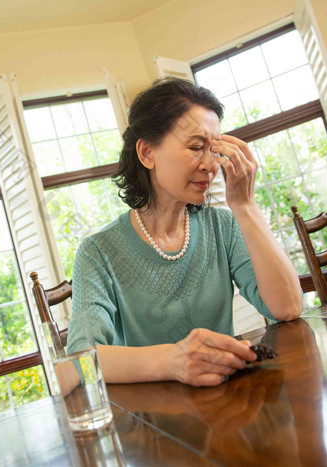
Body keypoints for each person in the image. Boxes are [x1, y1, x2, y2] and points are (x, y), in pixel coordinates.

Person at [66, 77, 303, 387]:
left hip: (227, 406)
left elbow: (287, 308)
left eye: (214, 150)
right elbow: (79, 364)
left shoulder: (223, 226)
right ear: (147, 153)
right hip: (153, 420)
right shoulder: (98, 251)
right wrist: (174, 361)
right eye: (196, 147)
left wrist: (245, 206)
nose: (211, 165)